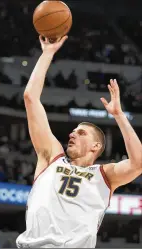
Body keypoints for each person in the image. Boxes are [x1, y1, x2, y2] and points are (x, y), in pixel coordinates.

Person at [16, 36, 142, 248]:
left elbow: (138, 163)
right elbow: (30, 97)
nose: (72, 135)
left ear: (96, 147)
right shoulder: (51, 157)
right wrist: (47, 53)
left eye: (81, 133)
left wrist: (119, 115)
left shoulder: (105, 176)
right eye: (73, 132)